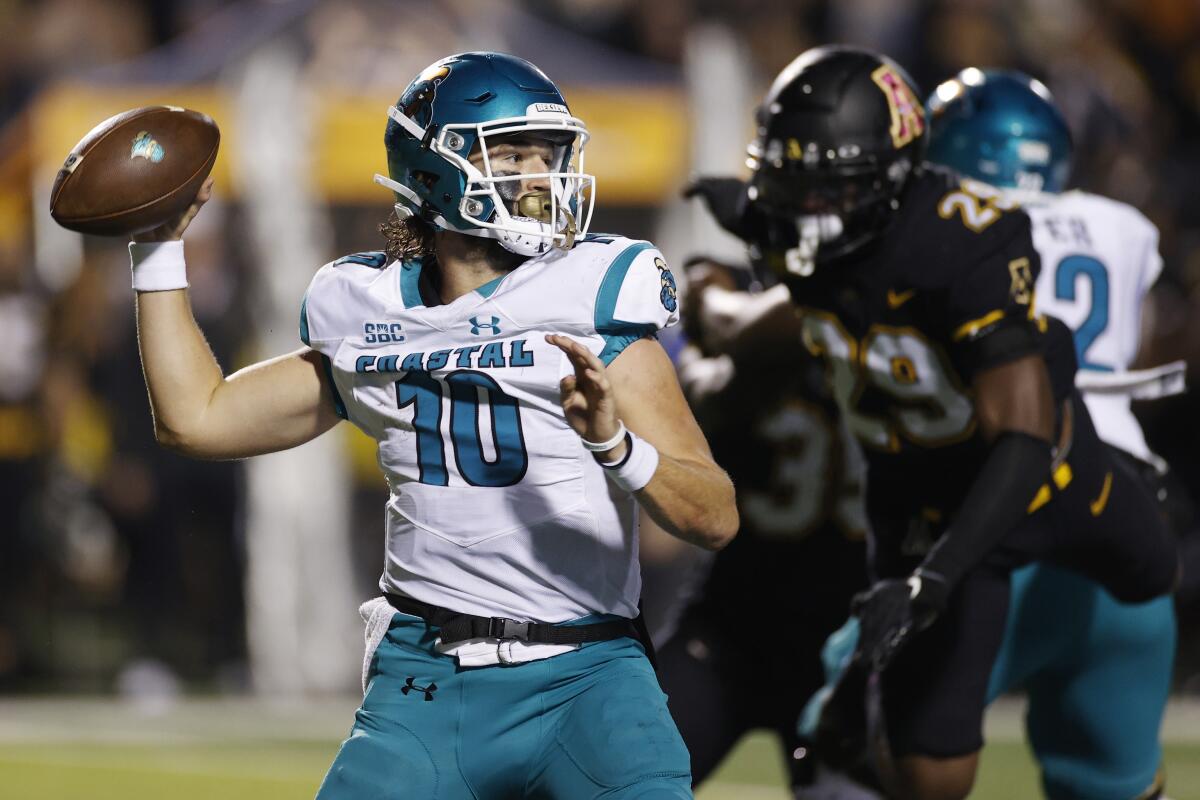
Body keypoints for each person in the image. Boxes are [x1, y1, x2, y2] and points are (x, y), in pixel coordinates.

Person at [127, 51, 737, 799]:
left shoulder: (595, 298)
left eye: (547, 157)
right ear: (434, 172)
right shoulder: (366, 307)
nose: (542, 178)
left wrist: (617, 446)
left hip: (589, 676)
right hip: (427, 675)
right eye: (511, 155)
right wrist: (158, 246)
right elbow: (199, 419)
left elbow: (714, 516)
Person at [688, 45, 1178, 800]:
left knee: (845, 735)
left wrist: (933, 577)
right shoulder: (1112, 226)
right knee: (1106, 763)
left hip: (1000, 511)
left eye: (825, 185)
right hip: (1043, 516)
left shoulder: (953, 240)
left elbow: (1023, 436)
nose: (804, 205)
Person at [926, 68, 1180, 800]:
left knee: (860, 734)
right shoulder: (1120, 226)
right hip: (1130, 506)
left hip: (1010, 503)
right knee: (1108, 779)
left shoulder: (950, 225)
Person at [654, 256, 868, 790]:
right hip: (732, 626)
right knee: (625, 777)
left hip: (849, 639)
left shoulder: (888, 302)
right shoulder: (747, 299)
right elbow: (706, 295)